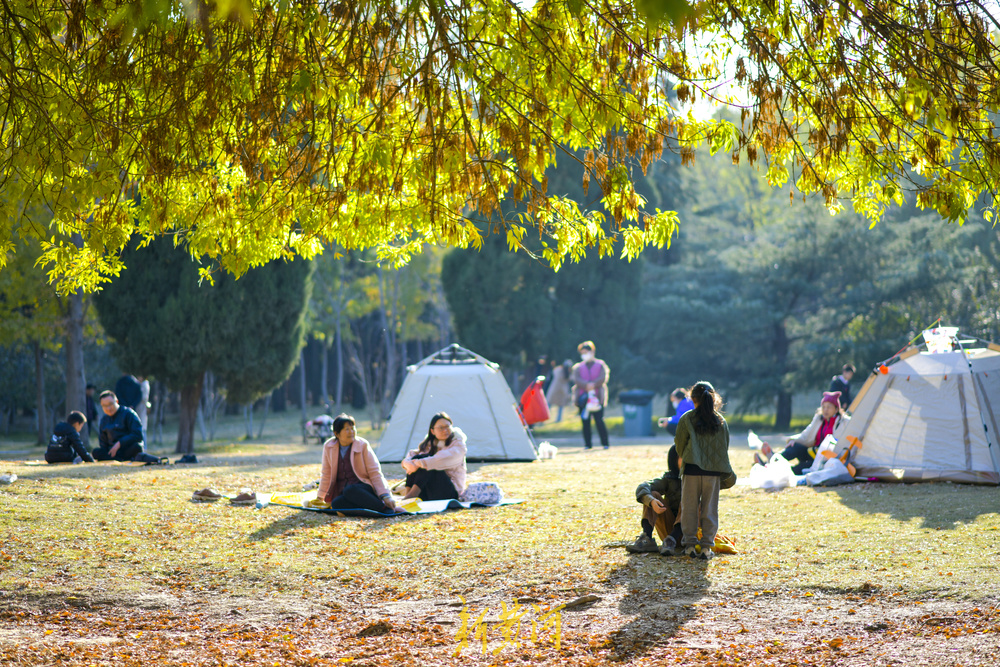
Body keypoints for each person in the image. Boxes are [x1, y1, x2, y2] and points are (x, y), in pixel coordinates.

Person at [674, 381, 734, 560]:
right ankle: (707, 547)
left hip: (691, 470)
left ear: (692, 398)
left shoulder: (687, 418)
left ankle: (690, 546)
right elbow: (725, 446)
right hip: (713, 473)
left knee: (689, 508)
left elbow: (679, 444)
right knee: (710, 509)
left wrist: (688, 455)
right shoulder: (720, 421)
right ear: (714, 397)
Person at [319, 414, 402, 513]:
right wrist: (320, 497)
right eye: (347, 429)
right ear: (337, 433)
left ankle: (383, 508)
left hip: (363, 488)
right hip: (344, 492)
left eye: (352, 428)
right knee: (336, 503)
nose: (351, 432)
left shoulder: (362, 445)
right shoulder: (329, 447)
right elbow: (326, 474)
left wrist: (385, 495)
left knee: (350, 490)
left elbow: (374, 472)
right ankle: (368, 508)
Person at [759, 391, 850, 474]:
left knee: (800, 468)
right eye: (824, 407)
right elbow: (806, 434)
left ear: (836, 409)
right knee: (794, 446)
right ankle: (773, 459)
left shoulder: (843, 422)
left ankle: (772, 469)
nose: (825, 410)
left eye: (829, 407)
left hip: (824, 460)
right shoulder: (818, 419)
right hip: (812, 452)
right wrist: (794, 440)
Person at [627, 445, 685, 556]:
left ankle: (674, 538)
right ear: (674, 459)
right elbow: (643, 486)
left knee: (690, 500)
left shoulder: (697, 480)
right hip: (668, 535)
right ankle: (646, 538)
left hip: (691, 534)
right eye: (683, 456)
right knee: (653, 495)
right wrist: (652, 501)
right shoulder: (668, 480)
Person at [399, 412, 468, 501]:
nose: (445, 430)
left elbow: (440, 460)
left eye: (447, 426)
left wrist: (419, 463)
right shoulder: (430, 444)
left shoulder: (458, 445)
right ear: (432, 431)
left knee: (428, 463)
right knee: (420, 458)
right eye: (441, 428)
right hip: (430, 490)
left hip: (450, 492)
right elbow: (414, 455)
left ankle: (411, 495)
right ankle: (408, 493)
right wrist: (407, 463)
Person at [571, 341, 610, 449]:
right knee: (585, 421)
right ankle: (588, 444)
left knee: (599, 420)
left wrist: (594, 385)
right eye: (582, 353)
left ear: (592, 352)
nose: (584, 355)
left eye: (586, 352)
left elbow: (603, 377)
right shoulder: (578, 367)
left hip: (597, 397)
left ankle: (605, 443)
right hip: (583, 398)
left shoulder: (600, 365)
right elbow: (576, 379)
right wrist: (586, 385)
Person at [93, 390, 145, 461]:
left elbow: (138, 435)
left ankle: (117, 459)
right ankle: (117, 459)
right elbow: (103, 443)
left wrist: (120, 443)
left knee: (137, 447)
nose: (108, 408)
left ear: (117, 401)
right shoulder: (104, 420)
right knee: (95, 452)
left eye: (110, 404)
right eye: (105, 406)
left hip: (128, 449)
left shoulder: (129, 414)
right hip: (112, 452)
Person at [136, 376, 151, 441]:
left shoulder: (144, 384)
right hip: (140, 407)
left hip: (142, 407)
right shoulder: (141, 384)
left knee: (142, 426)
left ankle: (144, 445)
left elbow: (145, 398)